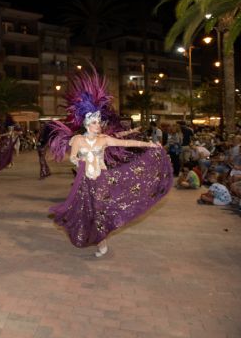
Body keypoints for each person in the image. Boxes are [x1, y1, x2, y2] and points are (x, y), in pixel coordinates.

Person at [48, 68, 173, 257]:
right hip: (85, 183)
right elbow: (73, 157)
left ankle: (102, 242)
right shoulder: (78, 141)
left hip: (102, 180)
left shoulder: (104, 139)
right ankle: (97, 240)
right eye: (95, 122)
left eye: (99, 122)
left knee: (101, 212)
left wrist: (149, 144)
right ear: (87, 124)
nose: (99, 125)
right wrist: (79, 160)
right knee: (89, 213)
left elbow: (127, 142)